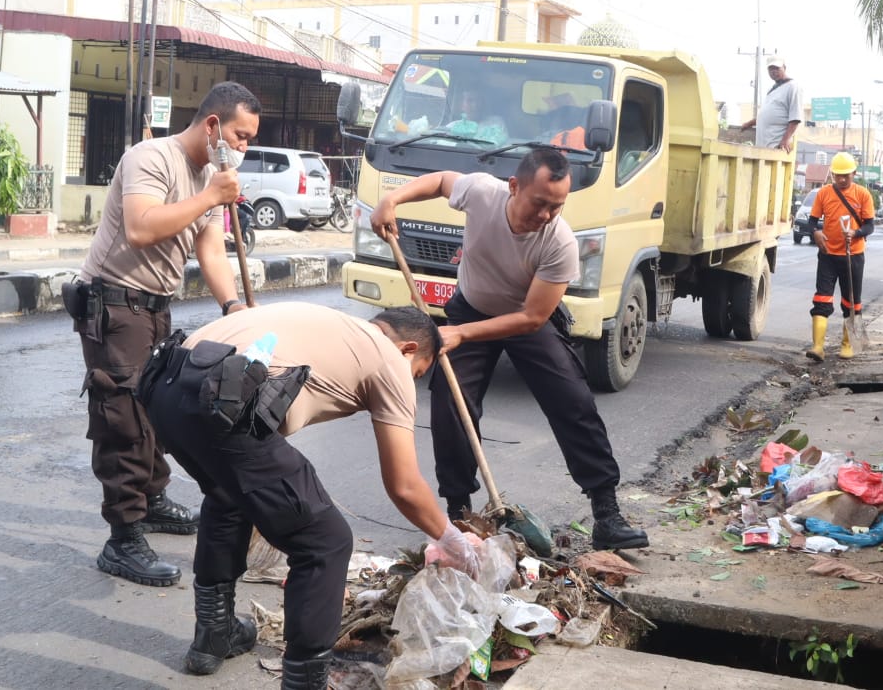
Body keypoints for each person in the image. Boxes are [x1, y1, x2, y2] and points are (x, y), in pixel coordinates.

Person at [143, 302, 479, 688]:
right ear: (408, 349)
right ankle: (304, 681)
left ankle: (214, 634)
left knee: (228, 496)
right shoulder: (389, 358)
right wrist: (450, 538)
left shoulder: (334, 326)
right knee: (325, 542)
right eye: (418, 372)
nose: (412, 380)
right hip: (222, 396)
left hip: (164, 386)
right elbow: (404, 485)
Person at [371, 146, 650, 551]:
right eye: (539, 203)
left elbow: (533, 318)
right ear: (514, 186)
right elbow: (441, 181)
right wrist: (391, 200)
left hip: (523, 319)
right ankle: (460, 514)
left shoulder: (560, 242)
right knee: (451, 404)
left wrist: (463, 334)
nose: (546, 215)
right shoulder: (483, 193)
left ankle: (606, 513)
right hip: (471, 307)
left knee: (573, 400)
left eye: (556, 206)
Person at [68, 81, 261, 587]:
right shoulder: (151, 157)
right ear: (213, 125)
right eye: (240, 136)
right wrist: (211, 196)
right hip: (114, 302)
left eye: (249, 140)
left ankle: (151, 500)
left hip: (155, 306)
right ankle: (123, 538)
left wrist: (234, 308)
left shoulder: (210, 176)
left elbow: (210, 249)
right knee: (123, 418)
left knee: (156, 407)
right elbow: (141, 227)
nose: (243, 148)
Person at [806, 152, 876, 362]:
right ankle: (818, 347)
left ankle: (848, 345)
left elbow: (870, 225)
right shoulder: (824, 193)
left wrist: (856, 233)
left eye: (846, 175)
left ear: (854, 173)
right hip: (828, 255)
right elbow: (812, 221)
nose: (842, 179)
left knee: (852, 302)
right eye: (838, 175)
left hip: (853, 256)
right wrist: (816, 232)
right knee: (822, 299)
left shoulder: (863, 195)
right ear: (832, 175)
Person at [739, 55, 803, 153]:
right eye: (771, 69)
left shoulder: (793, 87)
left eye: (777, 68)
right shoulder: (771, 89)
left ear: (784, 68)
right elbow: (766, 114)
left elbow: (795, 118)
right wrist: (749, 123)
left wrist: (785, 140)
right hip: (763, 147)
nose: (773, 72)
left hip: (777, 146)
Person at [443, 89, 508, 146]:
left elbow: (501, 146)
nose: (475, 105)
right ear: (461, 105)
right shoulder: (452, 127)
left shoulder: (496, 123)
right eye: (470, 100)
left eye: (478, 100)